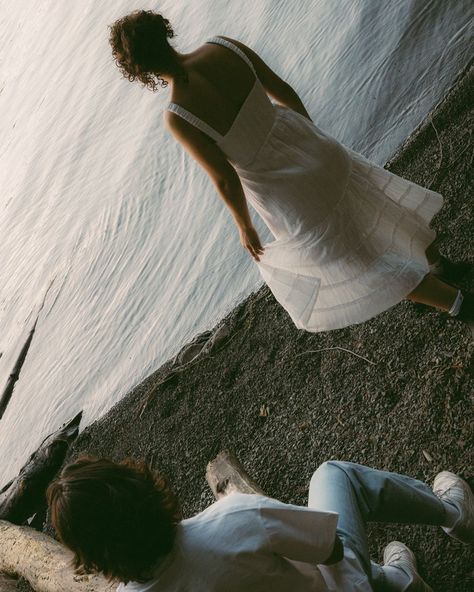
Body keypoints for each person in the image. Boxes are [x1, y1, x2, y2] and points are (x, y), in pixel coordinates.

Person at [108, 10, 473, 333]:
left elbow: (224, 177)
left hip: (281, 188)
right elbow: (282, 90)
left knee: (358, 261)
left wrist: (244, 226)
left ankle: (457, 303)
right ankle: (440, 264)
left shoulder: (179, 115)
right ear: (164, 33)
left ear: (139, 69)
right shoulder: (224, 45)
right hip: (311, 145)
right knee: (376, 206)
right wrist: (313, 138)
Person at [47, 456, 473, 591]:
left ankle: (399, 578)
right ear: (138, 488)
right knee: (333, 477)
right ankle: (455, 515)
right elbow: (333, 550)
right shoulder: (230, 518)